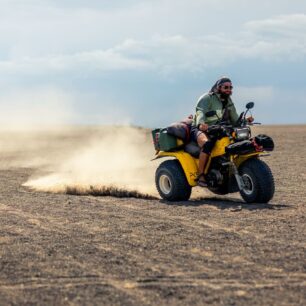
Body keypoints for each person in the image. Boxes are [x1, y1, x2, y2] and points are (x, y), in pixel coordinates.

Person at [191, 76, 253, 186]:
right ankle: (201, 175)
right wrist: (201, 124)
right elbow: (200, 111)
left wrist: (244, 120)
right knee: (207, 144)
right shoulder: (207, 98)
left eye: (230, 87)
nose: (229, 89)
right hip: (199, 128)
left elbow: (234, 118)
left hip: (217, 128)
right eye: (226, 87)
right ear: (218, 87)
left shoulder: (228, 100)